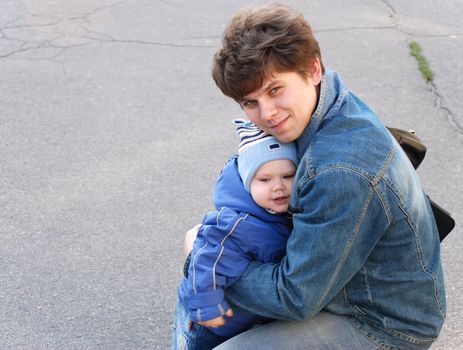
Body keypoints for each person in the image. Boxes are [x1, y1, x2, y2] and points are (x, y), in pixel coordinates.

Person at [179, 3, 446, 349]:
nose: (267, 114)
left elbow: (294, 296)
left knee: (204, 274)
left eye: (275, 90)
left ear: (313, 69)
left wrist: (200, 263)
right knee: (203, 277)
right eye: (250, 102)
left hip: (382, 322)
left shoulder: (339, 170)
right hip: (339, 284)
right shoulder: (323, 100)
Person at [173, 119, 299, 349]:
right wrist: (205, 306)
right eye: (265, 179)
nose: (278, 186)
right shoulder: (236, 224)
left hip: (247, 321)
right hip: (210, 323)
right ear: (247, 183)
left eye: (287, 176)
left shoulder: (284, 215)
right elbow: (205, 261)